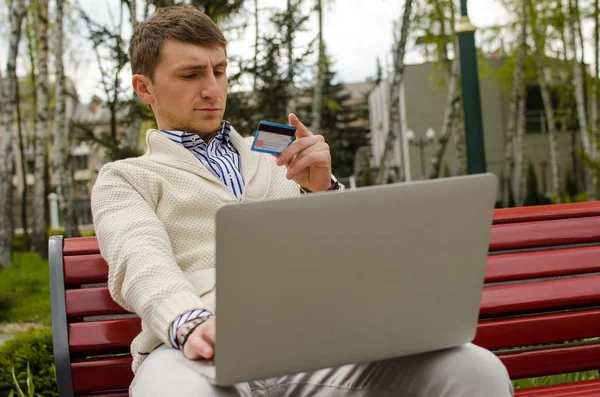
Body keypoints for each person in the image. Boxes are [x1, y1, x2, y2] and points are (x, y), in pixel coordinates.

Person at [90, 5, 514, 397]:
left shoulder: (278, 156)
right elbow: (140, 261)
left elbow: (348, 258)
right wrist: (190, 323)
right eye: (191, 75)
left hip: (318, 348)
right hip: (194, 351)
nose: (212, 88)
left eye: (219, 71)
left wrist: (323, 192)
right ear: (144, 88)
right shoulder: (126, 178)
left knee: (474, 370)